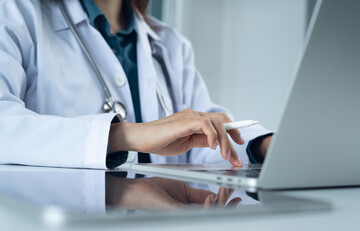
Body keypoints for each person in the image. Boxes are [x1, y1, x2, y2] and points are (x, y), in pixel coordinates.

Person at [0, 0, 272, 169]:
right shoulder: (15, 14)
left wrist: (265, 146)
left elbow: (208, 143)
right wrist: (126, 136)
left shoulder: (171, 45)